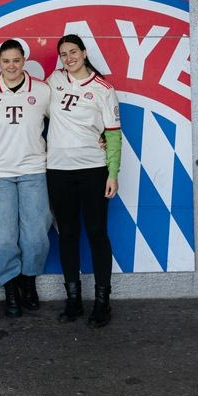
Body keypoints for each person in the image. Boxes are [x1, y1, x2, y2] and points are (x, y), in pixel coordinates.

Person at [46, 34, 122, 328]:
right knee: (67, 234)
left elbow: (113, 135)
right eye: (63, 54)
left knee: (97, 233)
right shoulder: (54, 81)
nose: (69, 58)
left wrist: (112, 173)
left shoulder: (104, 89)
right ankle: (73, 299)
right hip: (58, 170)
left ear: (85, 52)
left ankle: (103, 302)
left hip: (93, 170)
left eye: (73, 52)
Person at [0, 39, 52, 317]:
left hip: (33, 170)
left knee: (35, 236)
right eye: (6, 61)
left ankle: (28, 283)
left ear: (24, 61)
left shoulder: (42, 90)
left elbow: (65, 122)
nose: (11, 66)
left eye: (16, 60)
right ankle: (10, 287)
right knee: (3, 237)